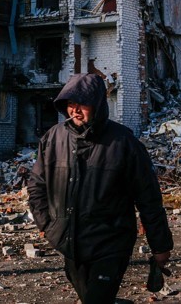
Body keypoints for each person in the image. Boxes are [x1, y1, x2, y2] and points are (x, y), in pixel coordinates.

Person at [27, 73, 173, 304]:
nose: (75, 111)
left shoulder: (123, 143)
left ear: (97, 105)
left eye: (82, 104)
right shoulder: (54, 138)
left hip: (111, 244)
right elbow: (37, 185)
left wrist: (160, 246)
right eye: (70, 105)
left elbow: (149, 198)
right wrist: (48, 224)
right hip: (70, 244)